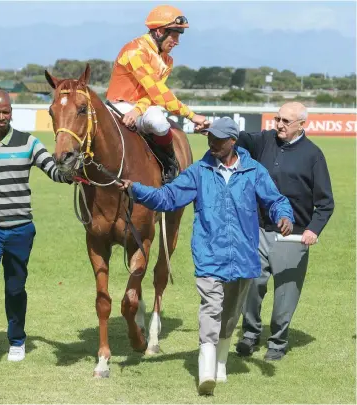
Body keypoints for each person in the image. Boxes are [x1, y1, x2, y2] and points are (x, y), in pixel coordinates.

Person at [116, 117, 294, 395]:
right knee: (211, 308)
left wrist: (284, 216)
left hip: (244, 257)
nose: (212, 143)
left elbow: (276, 200)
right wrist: (135, 189)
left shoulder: (253, 171)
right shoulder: (199, 171)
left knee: (230, 314)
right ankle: (206, 370)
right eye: (210, 138)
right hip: (209, 254)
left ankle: (220, 361)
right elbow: (168, 197)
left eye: (219, 139)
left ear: (233, 142)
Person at [0, 89, 72, 378]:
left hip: (21, 229)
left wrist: (71, 171)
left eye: (5, 112)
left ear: (11, 112)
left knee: (15, 288)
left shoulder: (28, 142)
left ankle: (17, 339)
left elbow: (53, 170)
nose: (1, 117)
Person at [235, 102, 335, 361]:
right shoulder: (265, 141)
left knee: (285, 294)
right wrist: (212, 127)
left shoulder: (314, 155)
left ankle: (277, 343)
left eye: (285, 121)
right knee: (252, 284)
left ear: (302, 125)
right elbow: (241, 138)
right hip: (258, 230)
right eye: (277, 118)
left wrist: (313, 230)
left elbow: (325, 203)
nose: (279, 124)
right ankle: (249, 334)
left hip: (294, 236)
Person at [106, 4, 210, 182]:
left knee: (159, 122)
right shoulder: (135, 51)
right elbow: (159, 92)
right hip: (118, 105)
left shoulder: (167, 60)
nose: (177, 42)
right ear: (160, 31)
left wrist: (137, 110)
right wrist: (191, 116)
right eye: (175, 36)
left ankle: (169, 164)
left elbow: (153, 94)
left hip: (142, 107)